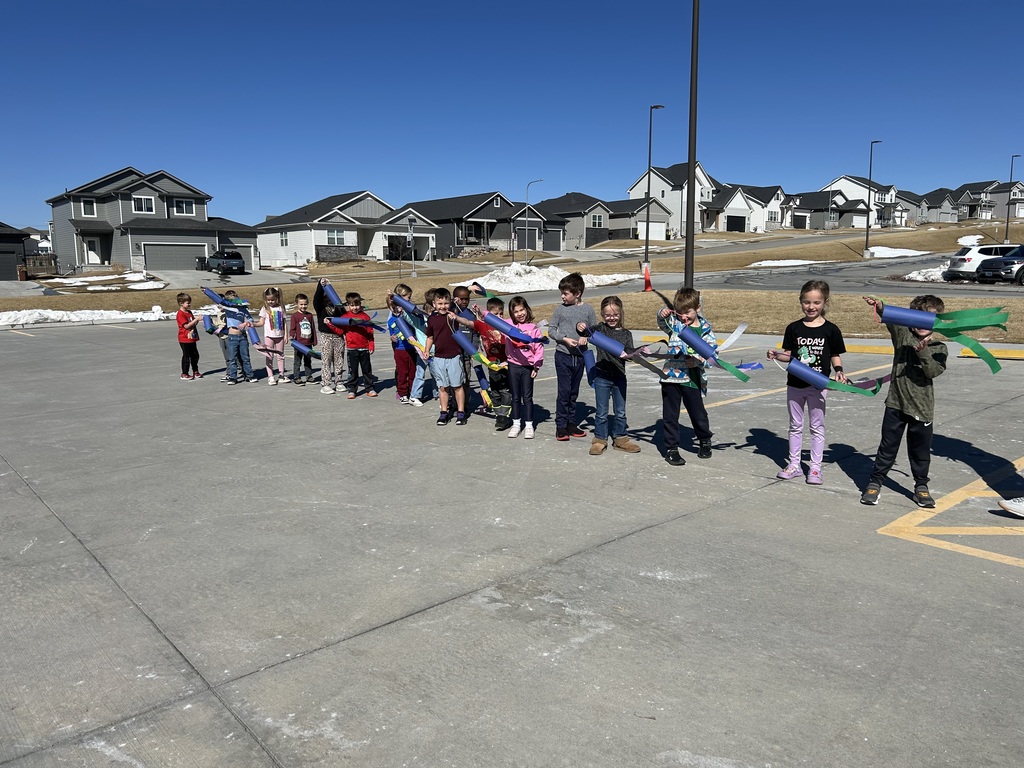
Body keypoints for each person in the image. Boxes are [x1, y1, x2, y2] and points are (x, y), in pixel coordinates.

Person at [860, 295, 948, 508]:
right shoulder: (903, 336)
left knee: (920, 450)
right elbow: (890, 319)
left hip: (922, 409)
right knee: (887, 447)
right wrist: (880, 306)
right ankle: (875, 481)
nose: (922, 325)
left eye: (928, 320)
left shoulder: (938, 347)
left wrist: (923, 352)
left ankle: (921, 486)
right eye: (917, 319)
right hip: (896, 403)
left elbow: (932, 371)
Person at [766, 280, 849, 484]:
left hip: (818, 385)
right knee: (795, 425)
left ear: (824, 302)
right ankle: (794, 464)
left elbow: (835, 355)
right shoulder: (793, 328)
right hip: (795, 384)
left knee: (817, 426)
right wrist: (776, 355)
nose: (811, 307)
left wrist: (839, 371)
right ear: (800, 302)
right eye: (806, 302)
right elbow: (788, 355)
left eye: (816, 302)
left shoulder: (831, 330)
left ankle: (815, 468)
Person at [577, 296, 645, 455]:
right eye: (607, 315)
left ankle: (621, 438)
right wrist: (580, 328)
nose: (611, 318)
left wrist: (631, 356)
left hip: (619, 377)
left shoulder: (626, 334)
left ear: (621, 313)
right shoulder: (601, 329)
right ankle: (600, 439)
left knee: (620, 411)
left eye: (615, 314)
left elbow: (630, 353)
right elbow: (585, 330)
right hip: (602, 377)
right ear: (602, 314)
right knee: (601, 411)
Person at [657, 287, 716, 466]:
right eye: (680, 313)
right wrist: (662, 313)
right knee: (670, 414)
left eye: (688, 312)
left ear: (697, 308)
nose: (684, 317)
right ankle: (671, 448)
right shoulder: (675, 324)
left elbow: (712, 355)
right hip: (671, 377)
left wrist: (698, 361)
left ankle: (704, 440)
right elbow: (661, 323)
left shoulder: (706, 330)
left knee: (698, 413)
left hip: (692, 378)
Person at [548, 272, 596, 441]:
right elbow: (551, 330)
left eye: (565, 293)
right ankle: (561, 426)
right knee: (564, 392)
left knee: (573, 392)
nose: (562, 296)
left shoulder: (588, 310)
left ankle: (571, 424)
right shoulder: (560, 309)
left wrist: (587, 336)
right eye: (561, 292)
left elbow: (594, 331)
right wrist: (564, 339)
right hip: (563, 355)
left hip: (580, 357)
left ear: (578, 294)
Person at [423, 288, 467, 425]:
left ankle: (461, 412)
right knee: (443, 387)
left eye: (446, 303)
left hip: (454, 356)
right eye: (440, 303)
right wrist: (426, 350)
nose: (443, 306)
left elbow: (460, 308)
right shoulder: (432, 319)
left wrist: (456, 309)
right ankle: (443, 412)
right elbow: (430, 337)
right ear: (434, 304)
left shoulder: (453, 315)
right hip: (439, 357)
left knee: (457, 386)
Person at [503, 296, 544, 439]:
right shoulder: (508, 326)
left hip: (528, 368)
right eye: (516, 311)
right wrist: (480, 313)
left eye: (522, 310)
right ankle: (516, 424)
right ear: (511, 313)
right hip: (513, 365)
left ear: (527, 309)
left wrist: (536, 367)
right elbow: (492, 322)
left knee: (527, 397)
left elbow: (538, 348)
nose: (520, 314)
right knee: (515, 397)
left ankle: (529, 425)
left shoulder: (534, 329)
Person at [476, 297, 512, 431]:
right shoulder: (483, 326)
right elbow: (468, 323)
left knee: (506, 390)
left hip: (507, 363)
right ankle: (499, 414)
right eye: (495, 314)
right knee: (495, 390)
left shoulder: (507, 326)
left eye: (501, 313)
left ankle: (505, 416)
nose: (499, 316)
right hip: (492, 364)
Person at [313, 278, 346, 395]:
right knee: (326, 360)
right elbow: (316, 298)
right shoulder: (321, 307)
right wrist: (321, 285)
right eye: (326, 294)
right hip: (326, 336)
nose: (328, 296)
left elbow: (345, 317)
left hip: (339, 337)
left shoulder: (338, 307)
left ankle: (339, 381)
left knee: (339, 360)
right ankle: (326, 384)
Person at [341, 292, 376, 398]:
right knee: (353, 371)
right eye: (352, 305)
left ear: (360, 304)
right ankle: (352, 389)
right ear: (348, 305)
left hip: (364, 348)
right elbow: (339, 330)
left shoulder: (365, 317)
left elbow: (370, 332)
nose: (355, 307)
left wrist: (371, 345)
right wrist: (330, 323)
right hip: (352, 349)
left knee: (367, 370)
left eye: (357, 305)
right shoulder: (345, 317)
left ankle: (369, 388)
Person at [387, 284, 418, 403]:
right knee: (402, 371)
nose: (409, 300)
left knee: (412, 371)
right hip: (400, 348)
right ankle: (402, 392)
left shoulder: (410, 310)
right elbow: (391, 327)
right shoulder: (393, 315)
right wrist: (392, 337)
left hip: (412, 347)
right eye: (407, 297)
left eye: (410, 297)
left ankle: (411, 391)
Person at [451, 285, 478, 415]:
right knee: (453, 381)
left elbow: (476, 333)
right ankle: (454, 404)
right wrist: (452, 305)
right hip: (452, 355)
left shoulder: (470, 315)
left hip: (466, 355)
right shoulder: (451, 312)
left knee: (465, 380)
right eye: (461, 299)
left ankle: (464, 405)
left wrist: (474, 349)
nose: (464, 301)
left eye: (466, 298)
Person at [222, 290, 257, 384]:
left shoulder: (242, 309)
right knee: (232, 358)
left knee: (245, 357)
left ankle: (249, 375)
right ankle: (233, 377)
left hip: (242, 336)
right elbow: (219, 303)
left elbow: (250, 319)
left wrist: (245, 323)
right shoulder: (227, 309)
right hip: (232, 337)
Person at [257, 287, 288, 386]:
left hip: (280, 336)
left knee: (280, 356)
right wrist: (253, 324)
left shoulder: (281, 308)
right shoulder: (265, 309)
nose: (270, 301)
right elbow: (261, 322)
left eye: (272, 299)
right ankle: (270, 377)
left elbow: (284, 322)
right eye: (268, 300)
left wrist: (286, 335)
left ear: (277, 298)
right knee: (269, 356)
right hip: (269, 336)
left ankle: (281, 375)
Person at [289, 292, 317, 386]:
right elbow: (292, 328)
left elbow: (313, 328)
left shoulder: (309, 315)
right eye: (301, 304)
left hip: (308, 342)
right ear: (297, 304)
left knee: (308, 361)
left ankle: (309, 377)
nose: (303, 306)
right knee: (297, 361)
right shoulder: (295, 316)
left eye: (305, 304)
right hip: (299, 344)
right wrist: (291, 335)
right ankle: (296, 377)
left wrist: (314, 340)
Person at [176, 292, 202, 380]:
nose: (189, 304)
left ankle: (195, 370)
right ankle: (184, 373)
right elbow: (186, 326)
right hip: (184, 338)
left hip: (192, 338)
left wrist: (198, 320)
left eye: (190, 302)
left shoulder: (189, 312)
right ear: (181, 303)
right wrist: (196, 320)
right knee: (187, 356)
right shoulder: (180, 314)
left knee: (195, 355)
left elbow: (193, 322)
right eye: (187, 303)